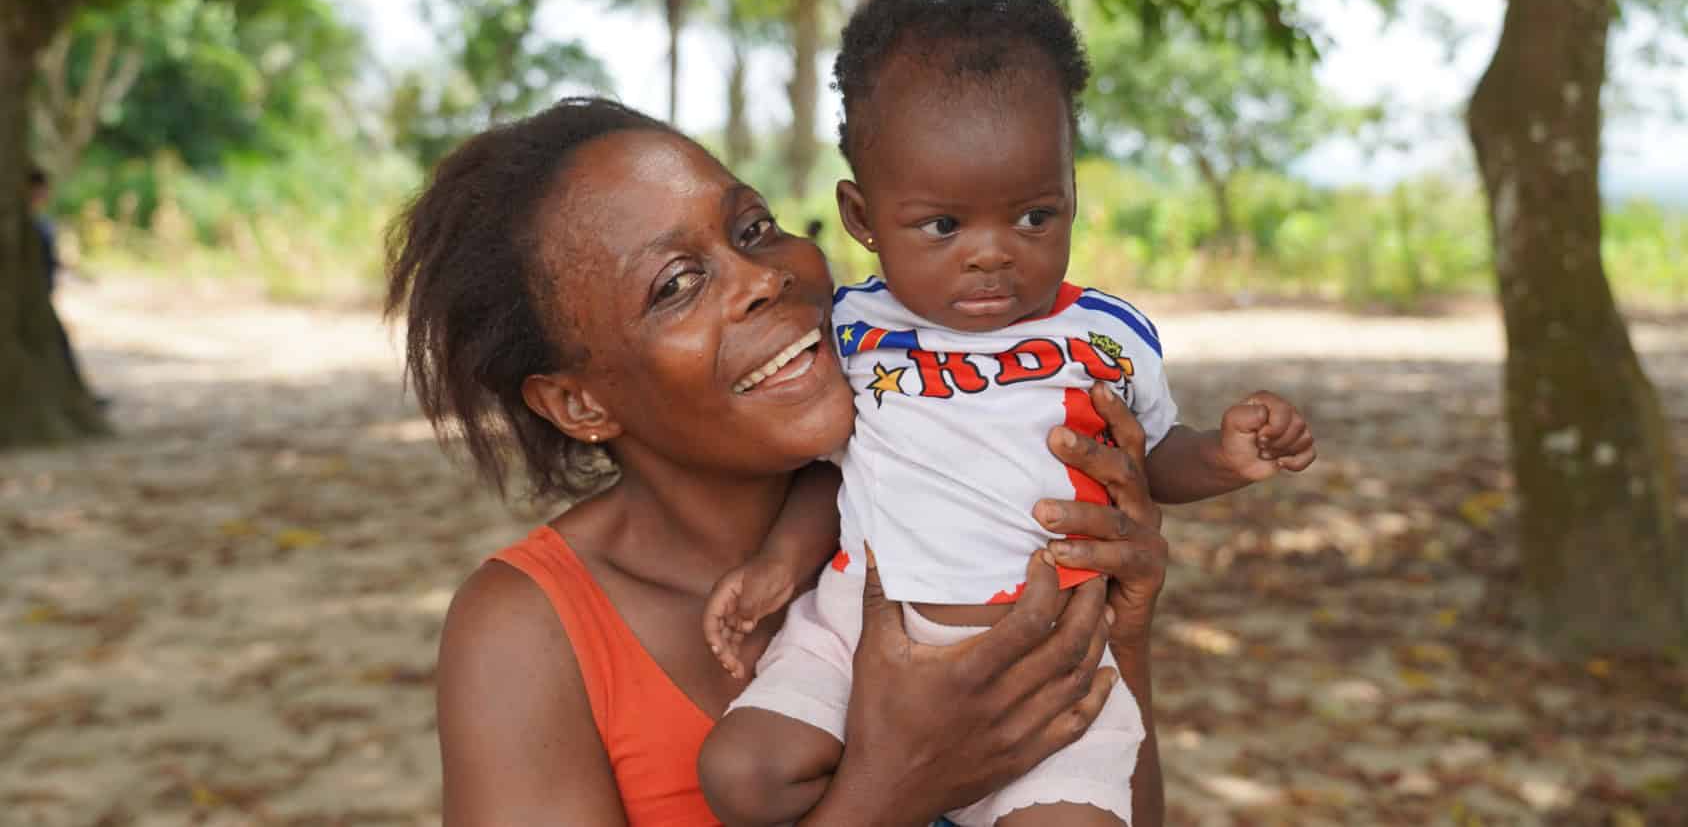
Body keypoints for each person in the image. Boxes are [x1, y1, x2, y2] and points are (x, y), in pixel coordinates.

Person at [385, 96, 1171, 826]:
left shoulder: (972, 506)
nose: (763, 277)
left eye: (754, 227)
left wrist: (1120, 636)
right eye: (676, 284)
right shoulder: (529, 631)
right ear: (578, 402)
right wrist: (886, 789)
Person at [699, 0, 1317, 826]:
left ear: (1071, 197)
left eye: (1033, 216)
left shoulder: (1104, 336)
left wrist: (1223, 454)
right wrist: (778, 565)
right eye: (943, 225)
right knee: (744, 773)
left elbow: (1147, 457)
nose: (992, 253)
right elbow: (834, 470)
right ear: (862, 217)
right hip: (855, 638)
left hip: (1051, 667)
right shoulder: (851, 329)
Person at [28, 166, 105, 407]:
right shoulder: (32, 226)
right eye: (43, 190)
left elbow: (50, 261)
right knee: (56, 346)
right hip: (32, 302)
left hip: (42, 297)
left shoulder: (40, 224)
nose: (47, 195)